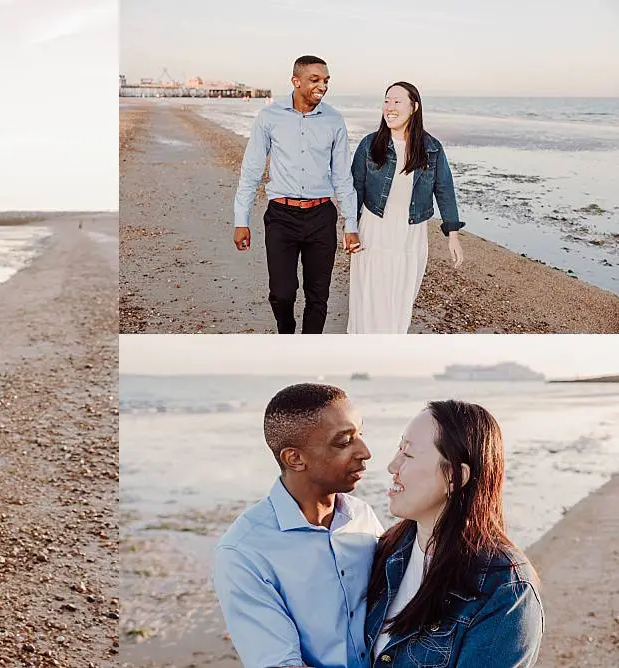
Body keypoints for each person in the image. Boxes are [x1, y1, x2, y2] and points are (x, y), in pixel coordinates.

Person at [214, 383, 382, 668]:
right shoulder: (244, 552)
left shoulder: (362, 516)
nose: (365, 452)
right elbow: (281, 663)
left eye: (361, 435)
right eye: (344, 442)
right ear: (295, 458)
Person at [366, 401, 542, 665]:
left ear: (454, 476)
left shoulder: (504, 589)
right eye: (398, 449)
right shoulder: (385, 552)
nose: (393, 466)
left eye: (408, 455)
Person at [232, 55, 360, 335]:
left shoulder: (334, 120)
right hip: (281, 216)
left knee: (318, 295)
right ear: (296, 81)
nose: (322, 86)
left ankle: (308, 347)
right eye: (315, 79)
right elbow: (251, 171)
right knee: (282, 293)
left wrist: (350, 224)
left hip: (321, 216)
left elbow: (342, 176)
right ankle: (286, 334)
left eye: (326, 80)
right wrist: (241, 220)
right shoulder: (269, 117)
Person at [348, 82, 465, 334]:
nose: (390, 107)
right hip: (374, 228)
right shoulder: (369, 144)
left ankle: (391, 347)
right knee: (370, 294)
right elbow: (355, 188)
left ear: (414, 107)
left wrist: (453, 235)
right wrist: (349, 229)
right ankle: (364, 347)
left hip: (411, 233)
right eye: (386, 101)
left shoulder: (432, 148)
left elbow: (444, 189)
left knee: (401, 296)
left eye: (397, 101)